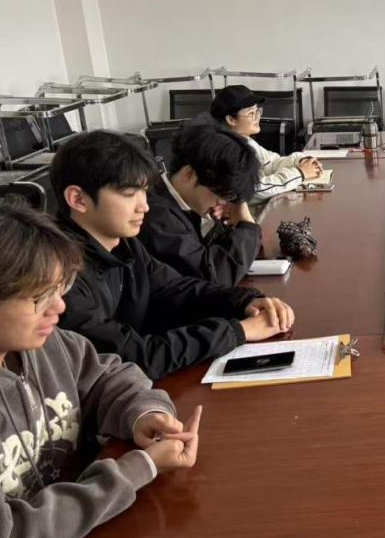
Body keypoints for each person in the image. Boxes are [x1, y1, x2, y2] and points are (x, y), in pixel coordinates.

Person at [0, 195, 202, 538]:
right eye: (38, 297)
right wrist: (138, 469)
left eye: (60, 288)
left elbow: (108, 378)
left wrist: (144, 414)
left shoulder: (48, 345)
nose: (59, 307)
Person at [50, 131, 294, 381]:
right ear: (78, 199)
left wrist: (243, 301)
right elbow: (131, 356)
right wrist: (237, 331)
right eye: (129, 194)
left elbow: (176, 289)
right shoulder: (57, 275)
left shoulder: (125, 245)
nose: (144, 206)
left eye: (144, 191)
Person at [139, 127, 262, 286]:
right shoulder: (156, 216)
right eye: (220, 194)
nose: (223, 202)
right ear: (189, 174)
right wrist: (246, 223)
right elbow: (216, 276)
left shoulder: (188, 205)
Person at [195, 84, 323, 202]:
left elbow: (270, 163)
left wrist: (301, 161)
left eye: (257, 111)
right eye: (251, 113)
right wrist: (300, 173)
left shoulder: (245, 140)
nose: (257, 117)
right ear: (231, 119)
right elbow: (255, 189)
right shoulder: (226, 150)